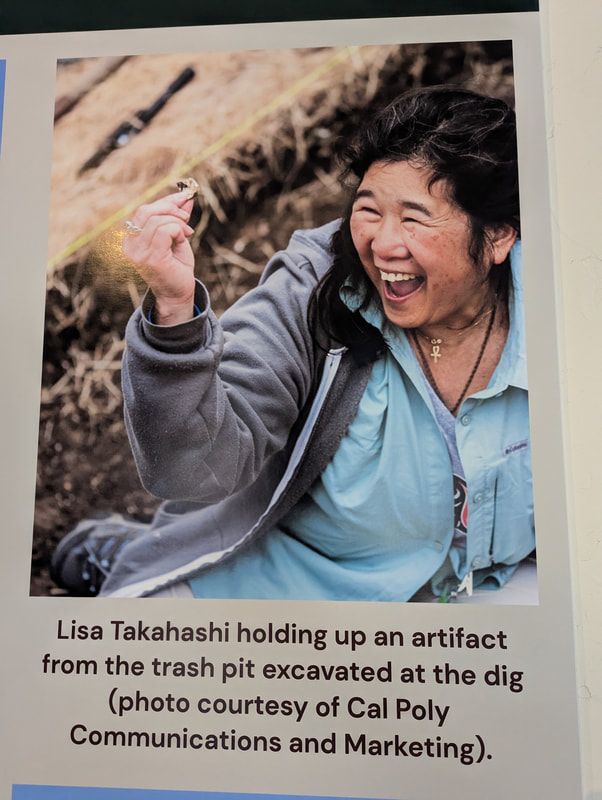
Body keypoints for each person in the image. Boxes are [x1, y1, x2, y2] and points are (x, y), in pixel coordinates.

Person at [52, 86, 535, 601]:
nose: (383, 244)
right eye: (368, 210)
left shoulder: (562, 306)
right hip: (298, 588)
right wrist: (173, 313)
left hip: (484, 584)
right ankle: (133, 555)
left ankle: (122, 546)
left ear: (499, 236)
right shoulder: (316, 289)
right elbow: (194, 468)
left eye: (415, 218)